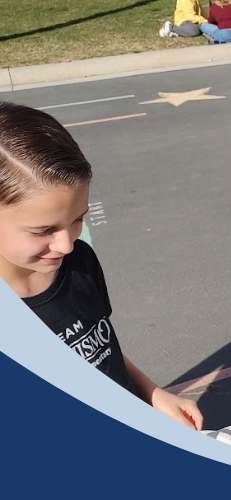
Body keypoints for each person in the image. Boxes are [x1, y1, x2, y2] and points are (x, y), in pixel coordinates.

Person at [0, 102, 203, 430]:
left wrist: (152, 394)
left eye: (77, 219)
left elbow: (100, 350)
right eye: (44, 231)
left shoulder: (79, 262)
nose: (66, 244)